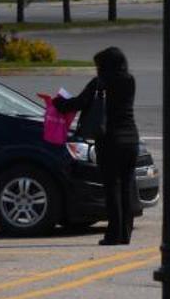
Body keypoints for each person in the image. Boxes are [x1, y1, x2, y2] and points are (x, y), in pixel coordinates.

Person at [57, 45, 140, 246]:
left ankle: (113, 234)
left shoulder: (99, 83)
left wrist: (58, 103)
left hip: (110, 140)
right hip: (131, 139)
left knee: (112, 187)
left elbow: (78, 103)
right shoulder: (130, 81)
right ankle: (125, 234)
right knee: (127, 186)